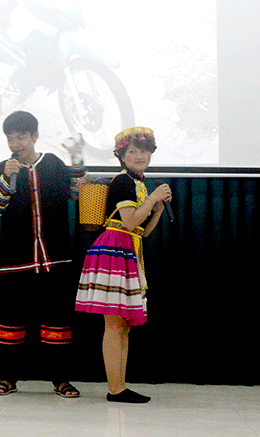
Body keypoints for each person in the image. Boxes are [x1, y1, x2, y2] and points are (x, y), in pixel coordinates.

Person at [0, 110, 84, 398]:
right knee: (10, 322)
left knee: (56, 322)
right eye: (10, 139)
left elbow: (78, 191)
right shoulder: (2, 168)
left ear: (35, 136)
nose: (15, 144)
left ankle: (60, 379)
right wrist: (6, 179)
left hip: (55, 259)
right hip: (14, 262)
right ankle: (7, 378)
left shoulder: (53, 164)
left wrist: (77, 158)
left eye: (21, 137)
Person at [75, 126, 171, 404]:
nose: (139, 156)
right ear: (121, 155)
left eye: (144, 151)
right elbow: (129, 222)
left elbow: (142, 231)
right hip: (114, 251)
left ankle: (119, 386)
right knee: (115, 323)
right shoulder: (123, 182)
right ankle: (115, 388)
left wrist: (158, 209)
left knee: (122, 325)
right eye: (133, 151)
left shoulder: (138, 183)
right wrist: (153, 199)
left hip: (127, 250)